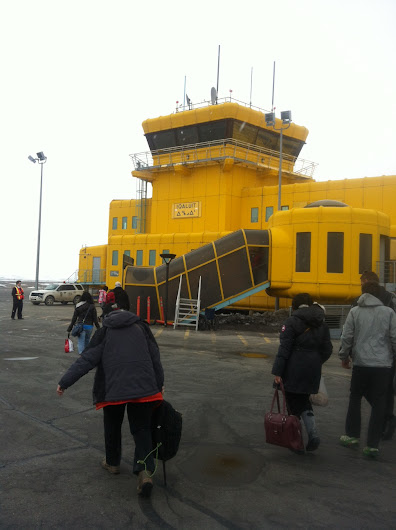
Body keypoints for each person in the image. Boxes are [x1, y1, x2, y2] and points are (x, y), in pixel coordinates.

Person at [57, 308, 164, 498]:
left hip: (113, 389)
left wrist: (65, 382)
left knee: (112, 425)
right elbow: (155, 356)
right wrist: (159, 383)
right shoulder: (142, 327)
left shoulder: (105, 331)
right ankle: (145, 471)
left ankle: (113, 463)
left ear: (107, 318)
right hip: (144, 386)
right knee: (142, 429)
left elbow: (87, 359)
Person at [339, 281, 396, 457]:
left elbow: (347, 336)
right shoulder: (389, 313)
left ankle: (352, 436)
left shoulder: (355, 312)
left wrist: (344, 356)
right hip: (383, 365)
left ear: (363, 292)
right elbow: (394, 338)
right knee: (379, 403)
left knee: (355, 398)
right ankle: (372, 445)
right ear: (379, 294)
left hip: (361, 364)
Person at [271, 293, 333, 452]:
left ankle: (296, 440)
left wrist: (278, 372)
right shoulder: (322, 324)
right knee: (304, 400)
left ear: (294, 306)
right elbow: (328, 349)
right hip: (313, 368)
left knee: (292, 403)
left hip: (293, 368)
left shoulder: (291, 322)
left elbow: (284, 350)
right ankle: (312, 434)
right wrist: (316, 361)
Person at [352, 271, 396, 440]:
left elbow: (352, 330)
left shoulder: (361, 301)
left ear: (366, 282)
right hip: (387, 354)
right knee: (386, 390)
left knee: (360, 390)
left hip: (364, 354)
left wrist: (348, 353)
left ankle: (385, 419)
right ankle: (386, 420)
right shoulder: (391, 298)